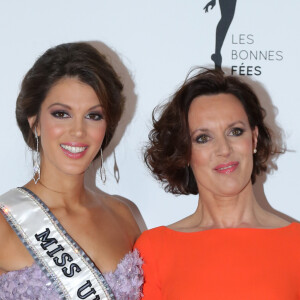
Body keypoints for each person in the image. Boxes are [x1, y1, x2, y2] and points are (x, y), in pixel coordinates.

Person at [135, 68, 300, 299]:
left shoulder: (296, 245)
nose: (224, 149)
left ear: (253, 138)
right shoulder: (154, 250)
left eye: (235, 131)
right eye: (203, 138)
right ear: (185, 152)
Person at [0, 42, 143, 300]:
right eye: (61, 113)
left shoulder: (124, 215)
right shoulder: (3, 223)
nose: (78, 131)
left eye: (93, 116)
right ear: (35, 123)